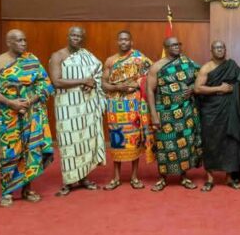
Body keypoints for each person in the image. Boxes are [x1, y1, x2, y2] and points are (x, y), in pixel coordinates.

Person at [0, 29, 55, 207]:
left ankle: (27, 188)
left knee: (30, 150)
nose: (24, 44)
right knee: (9, 151)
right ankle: (7, 191)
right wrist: (11, 103)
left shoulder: (32, 60)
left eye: (25, 40)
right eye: (19, 40)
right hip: (7, 114)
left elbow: (46, 84)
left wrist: (29, 101)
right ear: (9, 42)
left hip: (31, 112)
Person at [48, 26, 106, 196]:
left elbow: (97, 72)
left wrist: (92, 83)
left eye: (80, 36)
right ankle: (68, 180)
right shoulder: (57, 56)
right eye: (73, 35)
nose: (76, 38)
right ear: (68, 36)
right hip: (66, 107)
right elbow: (56, 81)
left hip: (86, 105)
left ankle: (84, 177)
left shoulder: (87, 55)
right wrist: (83, 81)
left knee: (86, 140)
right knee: (68, 141)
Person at [147, 36, 201, 191]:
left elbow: (202, 78)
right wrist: (154, 115)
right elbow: (150, 91)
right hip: (165, 112)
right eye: (173, 45)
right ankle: (162, 178)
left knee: (185, 144)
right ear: (165, 47)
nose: (177, 47)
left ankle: (184, 177)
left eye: (179, 44)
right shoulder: (157, 67)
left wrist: (191, 89)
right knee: (164, 145)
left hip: (185, 111)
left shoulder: (188, 63)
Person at [101, 31, 154, 190]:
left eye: (126, 40)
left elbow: (150, 76)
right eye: (121, 40)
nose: (123, 42)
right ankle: (116, 177)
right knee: (116, 140)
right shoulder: (110, 60)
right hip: (115, 106)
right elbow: (104, 84)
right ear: (118, 42)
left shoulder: (140, 59)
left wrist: (136, 84)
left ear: (131, 42)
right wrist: (118, 87)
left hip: (133, 104)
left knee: (134, 140)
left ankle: (134, 177)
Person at [194, 40, 240, 191]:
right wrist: (220, 89)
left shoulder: (232, 65)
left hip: (231, 110)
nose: (220, 50)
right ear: (211, 51)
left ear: (225, 50)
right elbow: (197, 89)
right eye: (216, 48)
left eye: (222, 47)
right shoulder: (206, 68)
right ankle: (210, 178)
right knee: (211, 144)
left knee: (230, 143)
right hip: (211, 111)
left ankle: (229, 178)